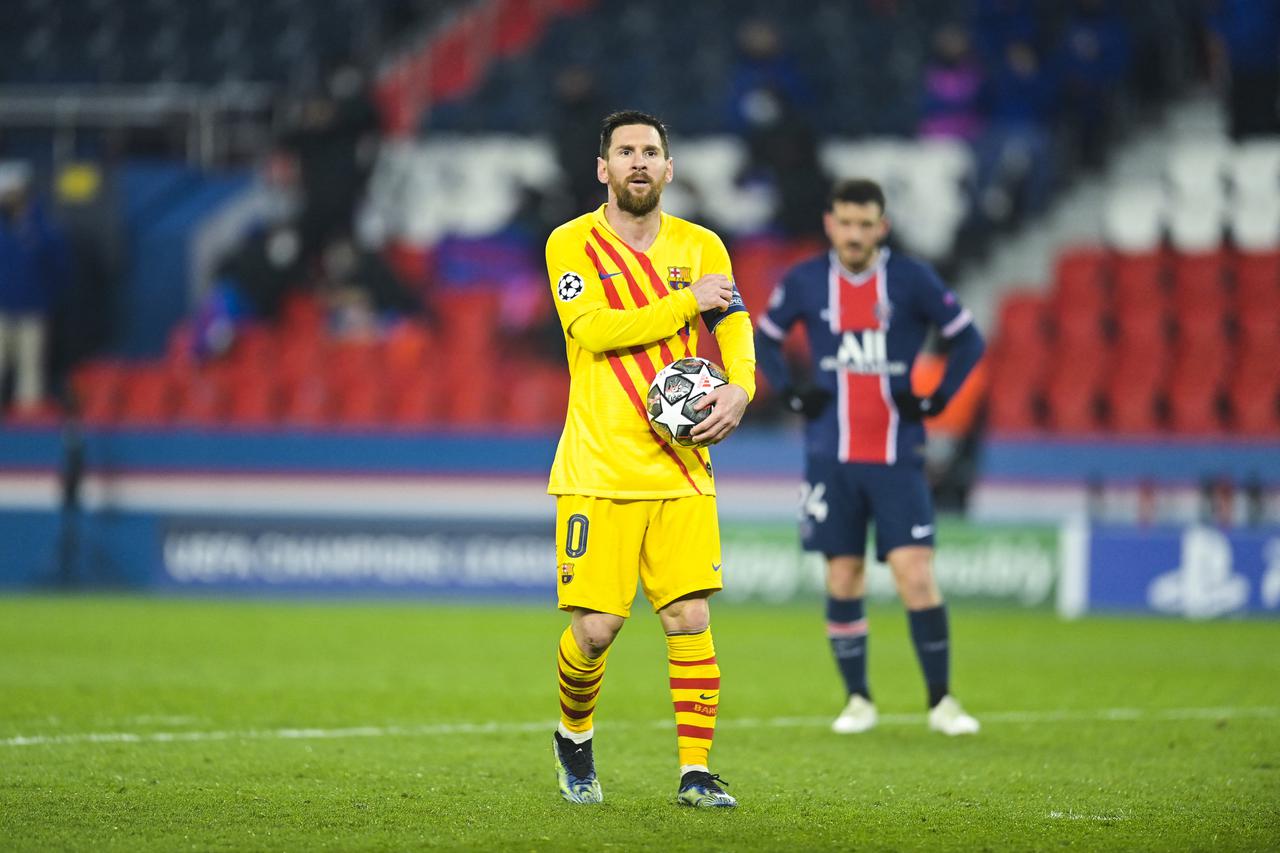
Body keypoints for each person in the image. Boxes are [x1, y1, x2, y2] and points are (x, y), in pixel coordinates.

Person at [544, 110, 755, 807]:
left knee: (689, 617)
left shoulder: (702, 245)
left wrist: (742, 387)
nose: (639, 162)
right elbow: (594, 329)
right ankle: (574, 735)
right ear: (602, 168)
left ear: (669, 169)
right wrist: (682, 301)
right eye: (625, 151)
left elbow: (734, 321)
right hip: (598, 468)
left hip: (681, 466)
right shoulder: (570, 243)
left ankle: (695, 771)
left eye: (651, 152)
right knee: (596, 630)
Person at [754, 178, 985, 737]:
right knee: (843, 573)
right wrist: (789, 391)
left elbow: (968, 340)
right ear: (830, 224)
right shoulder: (807, 280)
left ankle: (941, 701)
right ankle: (858, 698)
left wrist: (936, 398)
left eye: (866, 224)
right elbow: (762, 339)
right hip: (829, 457)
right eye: (845, 222)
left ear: (881, 227)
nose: (855, 234)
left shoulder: (910, 279)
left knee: (915, 573)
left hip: (897, 454)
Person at [0, 163, 71, 413]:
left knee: (30, 369)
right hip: (3, 309)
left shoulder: (43, 229)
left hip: (33, 309)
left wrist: (46, 299)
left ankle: (26, 422)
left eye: (9, 192)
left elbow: (59, 270)